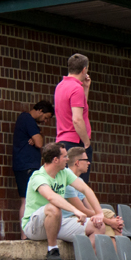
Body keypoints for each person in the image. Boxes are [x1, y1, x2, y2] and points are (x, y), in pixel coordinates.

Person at [21, 143, 105, 260]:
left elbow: (85, 189)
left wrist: (99, 213)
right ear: (56, 160)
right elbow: (51, 197)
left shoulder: (64, 173)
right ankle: (52, 249)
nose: (68, 159)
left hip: (57, 223)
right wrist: (75, 211)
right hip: (34, 227)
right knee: (53, 208)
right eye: (65, 156)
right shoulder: (38, 177)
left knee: (98, 227)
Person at [13, 100, 54, 236]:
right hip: (26, 165)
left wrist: (38, 135)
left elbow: (37, 140)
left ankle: (27, 234)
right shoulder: (28, 119)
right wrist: (38, 137)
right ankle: (25, 234)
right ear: (40, 110)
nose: (45, 121)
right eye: (45, 117)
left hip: (25, 165)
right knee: (27, 199)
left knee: (29, 199)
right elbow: (39, 143)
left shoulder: (28, 122)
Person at [62, 146, 123, 237]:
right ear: (77, 163)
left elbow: (90, 208)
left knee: (108, 213)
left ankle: (120, 249)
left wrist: (112, 221)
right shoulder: (66, 180)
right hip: (71, 218)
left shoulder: (80, 181)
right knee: (106, 224)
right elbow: (82, 209)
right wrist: (110, 222)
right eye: (86, 160)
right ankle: (116, 248)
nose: (89, 162)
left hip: (81, 215)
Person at [54, 53, 94, 184]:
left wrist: (85, 89)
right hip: (76, 142)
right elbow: (77, 119)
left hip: (62, 140)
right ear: (84, 69)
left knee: (65, 184)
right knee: (78, 186)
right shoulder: (76, 89)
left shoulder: (60, 86)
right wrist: (86, 142)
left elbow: (79, 109)